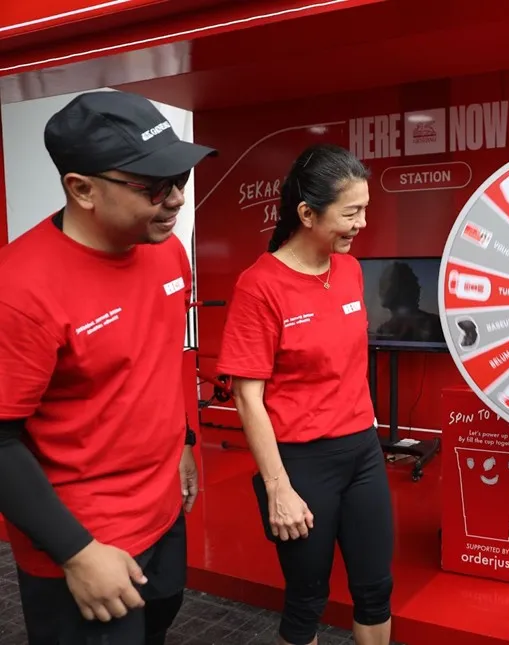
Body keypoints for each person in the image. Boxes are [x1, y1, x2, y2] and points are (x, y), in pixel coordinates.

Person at [0, 90, 217, 644]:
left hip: (163, 512)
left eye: (182, 181)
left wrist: (185, 441)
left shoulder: (167, 251)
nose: (175, 201)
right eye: (153, 187)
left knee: (158, 625)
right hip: (84, 538)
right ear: (82, 189)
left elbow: (164, 359)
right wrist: (76, 552)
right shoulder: (20, 291)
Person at [216, 144, 394, 645]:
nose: (362, 223)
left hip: (361, 450)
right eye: (351, 212)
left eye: (366, 209)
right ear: (307, 213)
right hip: (301, 462)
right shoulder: (260, 286)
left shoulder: (351, 270)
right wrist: (277, 487)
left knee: (376, 589)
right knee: (307, 600)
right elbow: (248, 397)